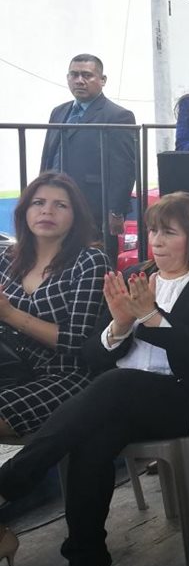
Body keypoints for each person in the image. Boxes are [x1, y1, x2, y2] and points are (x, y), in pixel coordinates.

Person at [0, 192, 189, 566]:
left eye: (169, 232)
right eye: (152, 230)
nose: (157, 241)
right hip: (120, 400)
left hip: (181, 399)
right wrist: (119, 324)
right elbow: (92, 356)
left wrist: (151, 317)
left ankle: (15, 478)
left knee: (117, 384)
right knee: (90, 443)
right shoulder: (134, 274)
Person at [0, 173, 107, 440]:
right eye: (38, 203)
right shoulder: (6, 258)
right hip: (10, 368)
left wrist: (10, 314)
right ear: (25, 211)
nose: (47, 211)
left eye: (61, 205)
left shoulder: (90, 261)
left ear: (75, 216)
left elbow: (76, 341)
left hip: (66, 374)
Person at [40, 54, 137, 264]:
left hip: (94, 208)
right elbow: (49, 155)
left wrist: (116, 210)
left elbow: (125, 167)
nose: (79, 80)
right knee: (54, 263)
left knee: (94, 266)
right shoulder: (59, 112)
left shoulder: (117, 116)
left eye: (87, 75)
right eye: (74, 75)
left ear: (102, 80)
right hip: (55, 204)